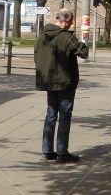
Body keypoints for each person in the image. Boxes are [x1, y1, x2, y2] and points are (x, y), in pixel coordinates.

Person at [34, 9, 88, 162]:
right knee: (64, 115)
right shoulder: (66, 37)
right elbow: (82, 52)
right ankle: (62, 152)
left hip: (48, 81)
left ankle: (47, 151)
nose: (70, 25)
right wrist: (83, 43)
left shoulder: (43, 35)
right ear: (65, 22)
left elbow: (36, 54)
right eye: (70, 23)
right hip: (65, 82)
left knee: (51, 114)